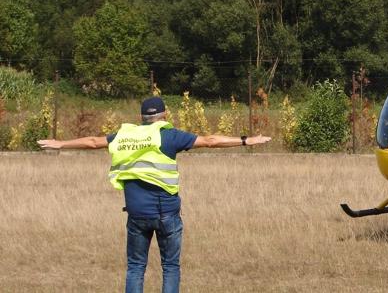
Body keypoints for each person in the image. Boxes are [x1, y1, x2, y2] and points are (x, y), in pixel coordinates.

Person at [37, 96, 271, 293]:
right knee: (170, 266)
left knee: (136, 266)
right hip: (166, 214)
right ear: (164, 115)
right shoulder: (167, 136)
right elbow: (209, 140)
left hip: (137, 215)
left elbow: (92, 141)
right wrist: (246, 140)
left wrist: (60, 143)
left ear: (142, 117)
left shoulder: (125, 135)